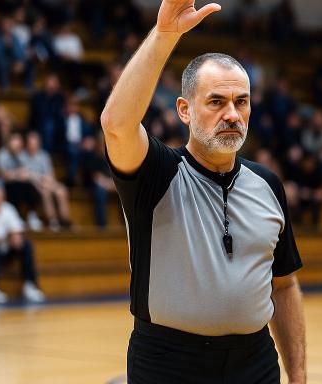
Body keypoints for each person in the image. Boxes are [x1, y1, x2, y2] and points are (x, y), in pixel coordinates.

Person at [99, 1, 305, 383]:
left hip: (255, 362)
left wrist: (299, 375)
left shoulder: (268, 184)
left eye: (241, 102)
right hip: (168, 363)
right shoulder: (156, 173)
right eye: (216, 102)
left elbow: (285, 285)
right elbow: (116, 125)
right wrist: (164, 36)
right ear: (184, 110)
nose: (232, 114)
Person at [0, 186, 45, 304]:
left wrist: (15, 237)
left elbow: (16, 230)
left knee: (26, 245)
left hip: (7, 249)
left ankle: (30, 285)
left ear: (3, 198)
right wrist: (4, 237)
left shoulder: (8, 209)